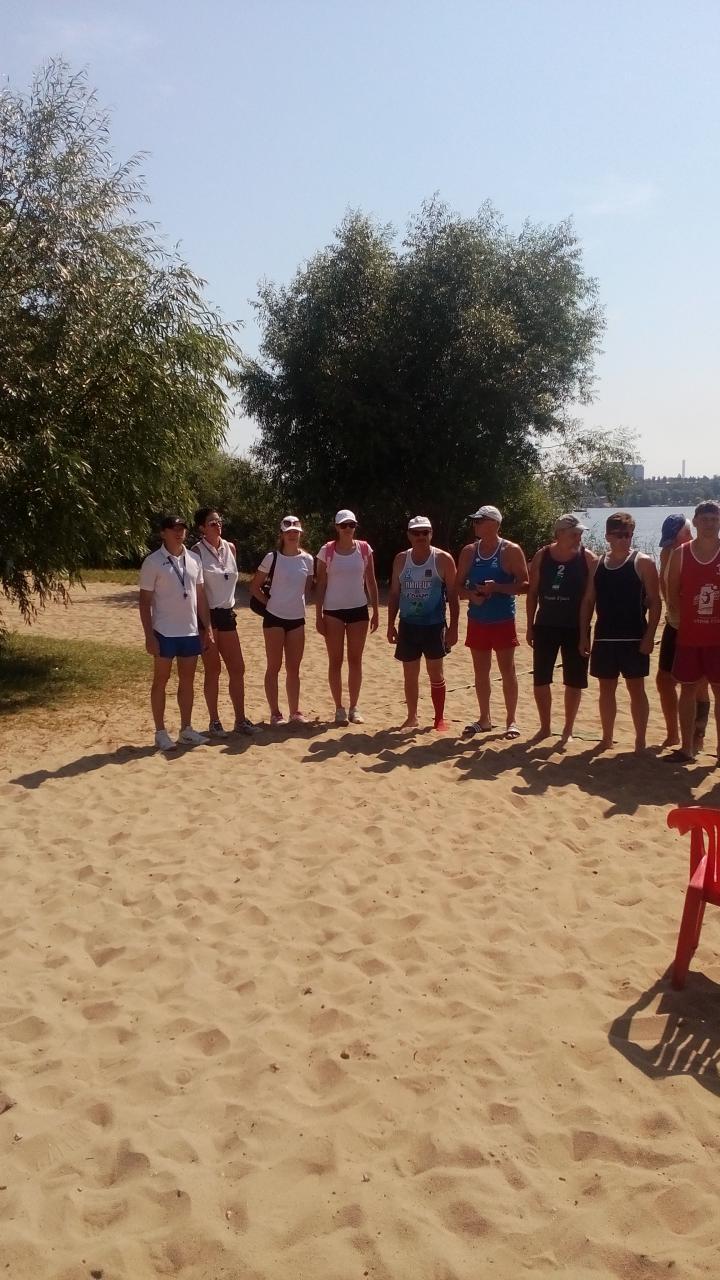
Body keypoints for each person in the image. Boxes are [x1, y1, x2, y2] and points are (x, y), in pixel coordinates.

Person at [579, 511, 661, 753]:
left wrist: (650, 637)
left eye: (629, 534)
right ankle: (607, 738)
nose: (625, 539)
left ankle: (640, 740)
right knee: (606, 690)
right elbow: (588, 601)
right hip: (604, 637)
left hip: (634, 637)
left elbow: (656, 602)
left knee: (636, 689)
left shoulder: (643, 562)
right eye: (620, 535)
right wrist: (583, 635)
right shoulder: (597, 564)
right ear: (608, 536)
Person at [138, 515, 214, 751]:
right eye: (173, 529)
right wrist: (149, 635)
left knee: (188, 681)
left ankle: (186, 729)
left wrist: (207, 627)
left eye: (182, 529)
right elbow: (144, 602)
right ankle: (160, 732)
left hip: (189, 631)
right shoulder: (152, 562)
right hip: (164, 632)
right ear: (163, 533)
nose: (179, 533)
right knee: (160, 681)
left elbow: (201, 596)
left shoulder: (194, 559)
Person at [456, 505, 529, 739]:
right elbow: (457, 586)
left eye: (480, 520)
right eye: (475, 520)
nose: (475, 524)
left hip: (502, 619)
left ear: (495, 524)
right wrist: (472, 595)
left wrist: (496, 587)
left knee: (507, 670)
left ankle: (511, 720)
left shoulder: (510, 550)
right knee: (481, 672)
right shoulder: (469, 551)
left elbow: (525, 585)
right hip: (477, 619)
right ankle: (484, 719)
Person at [526, 514, 596, 745]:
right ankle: (545, 727)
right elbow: (532, 593)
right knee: (541, 679)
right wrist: (529, 626)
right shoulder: (543, 555)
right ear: (559, 534)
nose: (578, 537)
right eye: (574, 533)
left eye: (580, 533)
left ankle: (567, 729)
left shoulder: (588, 558)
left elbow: (590, 599)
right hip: (545, 624)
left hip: (575, 627)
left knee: (574, 681)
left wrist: (584, 634)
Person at [387, 517, 458, 731]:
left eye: (425, 532)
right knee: (410, 675)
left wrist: (454, 628)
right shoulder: (401, 559)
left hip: (434, 625)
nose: (421, 536)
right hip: (408, 625)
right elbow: (394, 594)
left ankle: (439, 718)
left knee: (435, 673)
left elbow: (453, 595)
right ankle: (412, 717)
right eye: (416, 533)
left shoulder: (443, 559)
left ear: (431, 534)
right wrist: (390, 624)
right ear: (409, 535)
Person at [189, 507, 255, 737]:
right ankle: (214, 721)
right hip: (206, 615)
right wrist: (205, 626)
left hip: (227, 613)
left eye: (218, 521)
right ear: (202, 528)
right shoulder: (196, 552)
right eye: (212, 523)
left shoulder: (230, 548)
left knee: (237, 668)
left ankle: (240, 720)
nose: (217, 525)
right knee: (213, 669)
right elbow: (196, 591)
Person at [315, 509, 380, 725]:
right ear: (336, 527)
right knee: (335, 660)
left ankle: (354, 707)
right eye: (344, 525)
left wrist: (376, 611)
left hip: (358, 609)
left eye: (351, 525)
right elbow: (321, 584)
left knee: (355, 660)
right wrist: (318, 615)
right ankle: (339, 708)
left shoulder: (364, 549)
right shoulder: (326, 550)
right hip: (332, 611)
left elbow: (371, 581)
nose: (348, 529)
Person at [667, 499, 720, 763]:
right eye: (705, 519)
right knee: (687, 690)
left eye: (715, 519)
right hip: (689, 637)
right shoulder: (681, 553)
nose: (710, 524)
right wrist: (679, 619)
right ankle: (686, 748)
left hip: (717, 640)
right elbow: (672, 592)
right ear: (696, 521)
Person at [248, 515, 315, 726]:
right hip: (274, 618)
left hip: (297, 619)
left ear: (300, 534)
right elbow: (254, 587)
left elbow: (307, 589)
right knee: (274, 666)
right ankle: (275, 712)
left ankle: (295, 711)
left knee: (294, 668)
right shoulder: (272, 557)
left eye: (296, 532)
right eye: (288, 532)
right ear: (282, 535)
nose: (292, 535)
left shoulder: (308, 560)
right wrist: (270, 604)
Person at [656, 514, 710, 752]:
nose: (672, 545)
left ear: (688, 533)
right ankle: (673, 734)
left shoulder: (699, 552)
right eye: (669, 541)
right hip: (674, 624)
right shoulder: (668, 553)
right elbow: (665, 588)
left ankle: (698, 736)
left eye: (676, 539)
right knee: (663, 680)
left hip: (698, 626)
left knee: (699, 684)